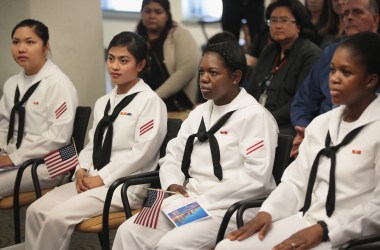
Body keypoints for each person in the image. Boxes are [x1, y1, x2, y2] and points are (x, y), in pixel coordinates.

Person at [216, 31, 380, 250]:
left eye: (346, 72)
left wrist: (325, 229)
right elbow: (296, 182)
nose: (334, 78)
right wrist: (268, 212)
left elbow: (376, 208)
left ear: (370, 80)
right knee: (229, 247)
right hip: (307, 219)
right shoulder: (321, 124)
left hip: (348, 234)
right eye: (332, 70)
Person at [112, 41, 279, 250]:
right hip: (187, 200)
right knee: (129, 231)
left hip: (231, 205)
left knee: (170, 244)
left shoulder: (254, 116)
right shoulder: (199, 113)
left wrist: (204, 201)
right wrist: (173, 184)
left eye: (213, 72)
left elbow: (256, 179)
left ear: (235, 77)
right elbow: (173, 154)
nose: (204, 79)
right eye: (201, 72)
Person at [22, 32, 167, 250]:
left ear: (141, 65)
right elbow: (91, 145)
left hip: (125, 185)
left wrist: (102, 177)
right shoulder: (104, 102)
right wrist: (81, 169)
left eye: (123, 60)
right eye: (111, 58)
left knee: (57, 218)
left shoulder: (150, 102)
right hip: (92, 180)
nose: (114, 66)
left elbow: (142, 153)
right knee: (36, 210)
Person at [290, 0, 379, 158]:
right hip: (320, 133)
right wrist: (306, 130)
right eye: (346, 13)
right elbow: (303, 101)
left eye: (357, 12)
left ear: (375, 20)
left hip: (366, 136)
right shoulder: (332, 52)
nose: (349, 18)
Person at [0, 19, 78, 199]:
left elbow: (58, 137)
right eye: (15, 42)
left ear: (45, 47)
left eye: (30, 42)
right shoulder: (12, 84)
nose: (21, 48)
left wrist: (14, 158)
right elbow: (4, 126)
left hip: (51, 162)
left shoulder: (58, 83)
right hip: (15, 159)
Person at [246, 0, 321, 135]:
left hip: (287, 125)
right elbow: (251, 90)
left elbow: (300, 101)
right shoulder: (269, 50)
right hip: (257, 120)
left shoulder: (310, 54)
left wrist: (265, 120)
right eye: (273, 21)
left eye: (284, 20)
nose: (278, 26)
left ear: (298, 25)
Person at [136, 0, 200, 112]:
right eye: (147, 11)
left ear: (167, 15)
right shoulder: (135, 39)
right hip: (143, 104)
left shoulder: (179, 34)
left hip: (178, 104)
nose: (152, 16)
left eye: (158, 12)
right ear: (141, 13)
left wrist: (155, 96)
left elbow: (187, 69)